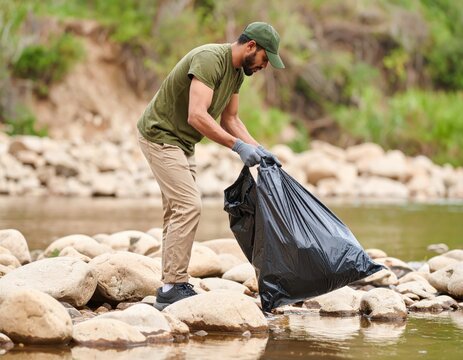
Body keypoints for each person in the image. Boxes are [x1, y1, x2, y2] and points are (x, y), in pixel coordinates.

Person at [137, 22, 285, 310]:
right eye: (266, 59)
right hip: (159, 135)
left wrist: (259, 149)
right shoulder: (209, 60)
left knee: (176, 211)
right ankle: (173, 286)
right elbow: (197, 116)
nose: (265, 66)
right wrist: (237, 147)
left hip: (183, 143)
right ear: (251, 46)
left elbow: (231, 120)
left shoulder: (236, 74)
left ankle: (170, 283)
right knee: (189, 206)